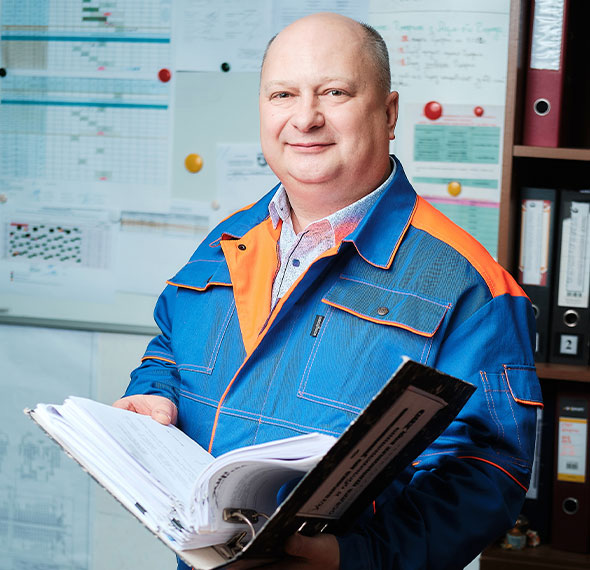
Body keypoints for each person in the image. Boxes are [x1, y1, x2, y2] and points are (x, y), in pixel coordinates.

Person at [114, 12, 542, 570]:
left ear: (389, 113)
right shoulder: (228, 239)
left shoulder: (470, 283)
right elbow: (170, 351)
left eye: (334, 92)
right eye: (283, 94)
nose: (305, 118)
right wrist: (153, 395)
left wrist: (354, 557)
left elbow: (485, 474)